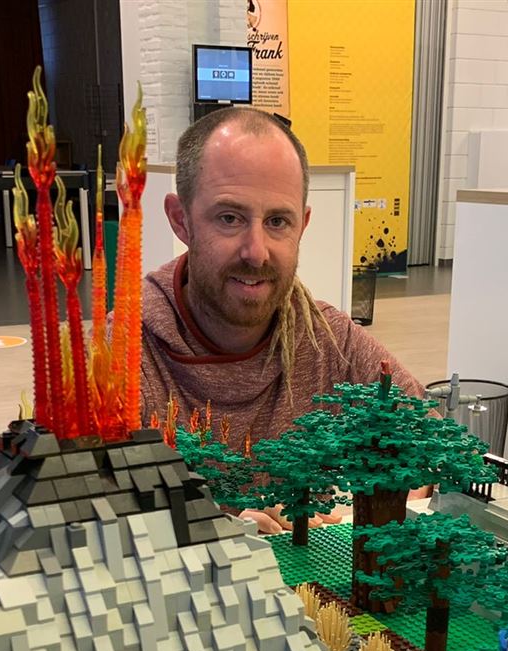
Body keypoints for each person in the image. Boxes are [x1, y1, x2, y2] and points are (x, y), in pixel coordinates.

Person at [141, 107, 428, 531]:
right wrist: (219, 527)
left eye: (278, 221)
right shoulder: (122, 358)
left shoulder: (329, 340)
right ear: (180, 220)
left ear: (302, 225)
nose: (256, 252)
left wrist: (408, 491)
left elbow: (426, 435)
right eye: (229, 218)